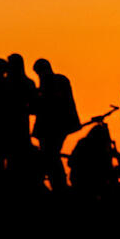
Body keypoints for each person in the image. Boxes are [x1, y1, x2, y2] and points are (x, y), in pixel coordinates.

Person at [31, 58, 81, 192]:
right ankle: (59, 186)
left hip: (53, 128)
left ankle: (59, 187)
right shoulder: (60, 80)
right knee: (51, 156)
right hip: (60, 127)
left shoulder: (50, 83)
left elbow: (47, 105)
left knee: (50, 156)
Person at [3, 53, 39, 191]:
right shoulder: (28, 83)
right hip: (19, 124)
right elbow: (34, 106)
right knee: (18, 156)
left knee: (12, 157)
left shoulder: (6, 83)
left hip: (11, 125)